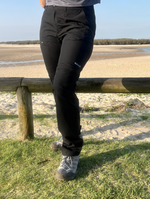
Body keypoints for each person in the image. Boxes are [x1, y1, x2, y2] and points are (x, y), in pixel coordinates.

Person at [39, 0, 100, 181]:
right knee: (57, 85)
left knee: (62, 84)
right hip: (49, 17)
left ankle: (71, 150)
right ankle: (68, 134)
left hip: (79, 18)